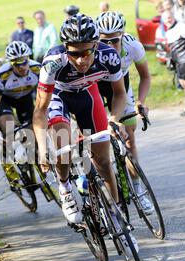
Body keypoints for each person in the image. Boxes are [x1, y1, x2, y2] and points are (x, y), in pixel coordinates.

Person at [33, 13, 128, 224]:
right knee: (62, 140)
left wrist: (114, 119)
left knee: (103, 162)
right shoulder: (53, 62)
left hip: (88, 94)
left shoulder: (109, 56)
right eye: (74, 53)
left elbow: (119, 93)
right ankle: (65, 187)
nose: (80, 60)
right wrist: (41, 148)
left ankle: (115, 211)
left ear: (96, 45)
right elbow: (40, 110)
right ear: (66, 47)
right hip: (59, 96)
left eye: (86, 53)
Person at [96, 11, 155, 215]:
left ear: (122, 34)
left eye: (115, 40)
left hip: (122, 88)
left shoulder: (133, 45)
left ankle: (138, 192)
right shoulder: (93, 51)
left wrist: (141, 102)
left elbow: (145, 77)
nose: (111, 45)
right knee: (98, 142)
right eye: (105, 41)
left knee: (129, 140)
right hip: (96, 89)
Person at [0, 41, 41, 148]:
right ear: (10, 64)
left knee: (32, 135)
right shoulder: (2, 76)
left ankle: (32, 159)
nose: (22, 67)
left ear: (29, 58)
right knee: (9, 129)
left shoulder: (38, 69)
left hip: (25, 99)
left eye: (24, 62)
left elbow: (47, 94)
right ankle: (7, 158)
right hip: (5, 100)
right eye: (16, 63)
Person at [163, 10, 185, 117]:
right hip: (178, 61)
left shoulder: (181, 27)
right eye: (165, 19)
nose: (167, 20)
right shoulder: (169, 30)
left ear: (173, 17)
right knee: (184, 84)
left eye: (169, 18)